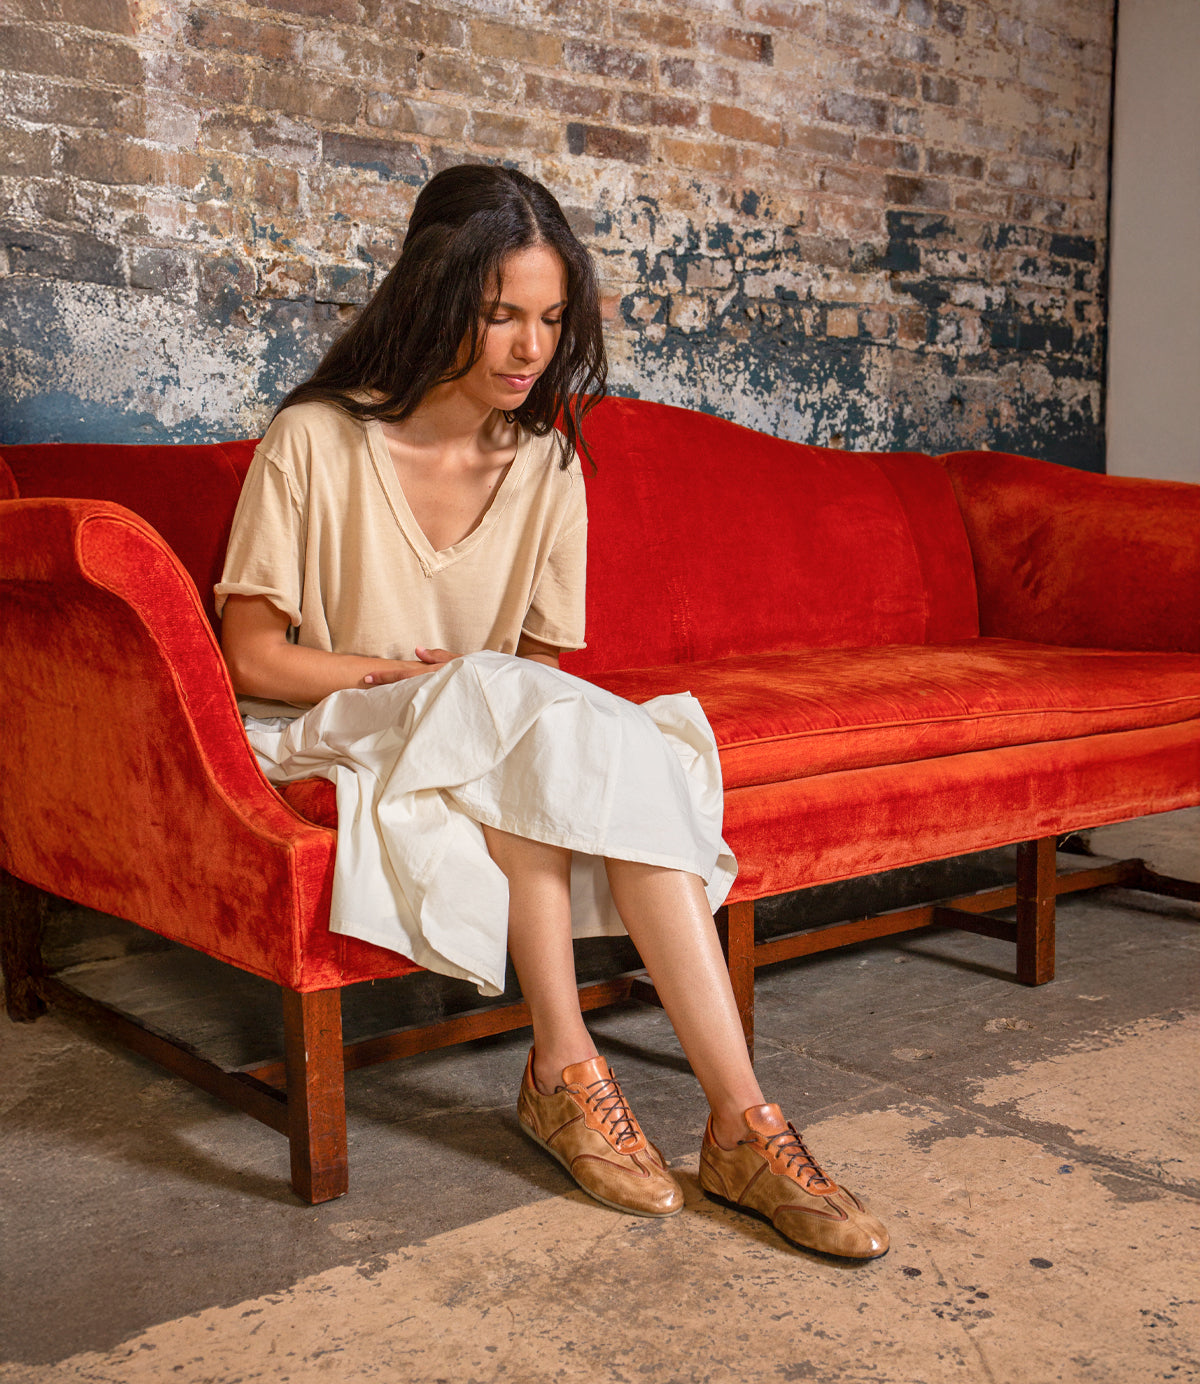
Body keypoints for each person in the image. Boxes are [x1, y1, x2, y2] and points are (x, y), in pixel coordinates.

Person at [215, 164, 887, 1260]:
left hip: (485, 733)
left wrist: (463, 693)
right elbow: (252, 654)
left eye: (550, 319)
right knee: (547, 718)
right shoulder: (315, 440)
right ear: (437, 301)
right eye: (500, 318)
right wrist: (401, 678)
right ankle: (672, 1103)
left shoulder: (549, 464)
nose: (530, 350)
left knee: (545, 729)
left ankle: (695, 1105)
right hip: (330, 722)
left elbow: (535, 681)